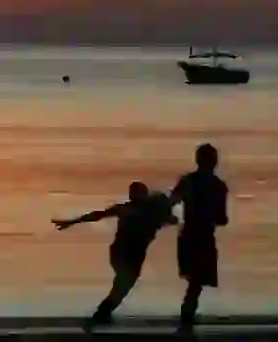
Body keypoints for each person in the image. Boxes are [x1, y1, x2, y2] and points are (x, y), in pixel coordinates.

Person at [53, 182, 177, 330]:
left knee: (123, 285)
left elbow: (170, 217)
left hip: (131, 254)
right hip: (123, 253)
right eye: (134, 193)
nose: (134, 197)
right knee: (123, 284)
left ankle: (103, 313)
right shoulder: (129, 210)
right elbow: (97, 215)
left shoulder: (149, 211)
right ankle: (101, 314)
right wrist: (72, 222)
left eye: (137, 193)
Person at [169, 143, 229, 336]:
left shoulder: (187, 181)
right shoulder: (219, 186)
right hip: (203, 235)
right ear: (214, 162)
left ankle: (187, 315)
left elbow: (171, 202)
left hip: (187, 234)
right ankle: (187, 315)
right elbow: (222, 219)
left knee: (194, 280)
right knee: (197, 281)